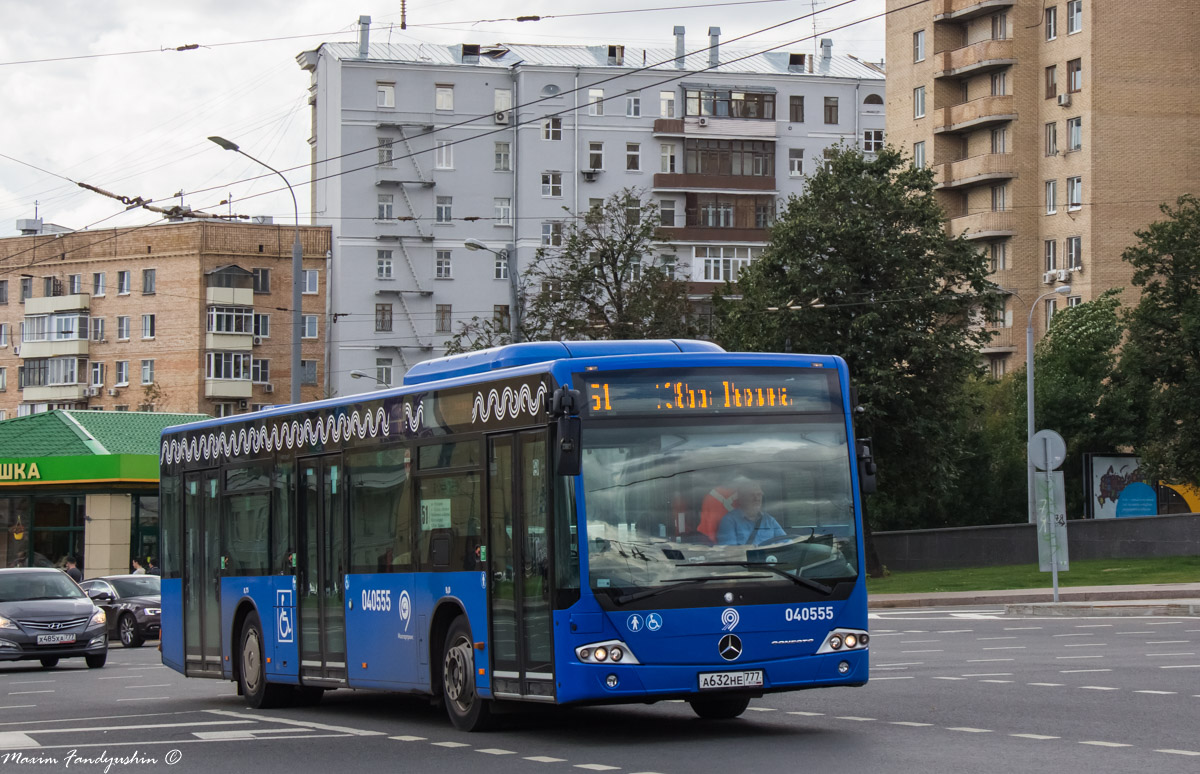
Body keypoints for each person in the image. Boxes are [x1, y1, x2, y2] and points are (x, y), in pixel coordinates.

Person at [716, 478, 787, 546]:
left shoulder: (769, 520)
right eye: (752, 495)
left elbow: (786, 542)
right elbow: (730, 553)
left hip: (770, 557)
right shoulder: (729, 521)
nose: (757, 499)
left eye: (759, 495)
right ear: (741, 498)